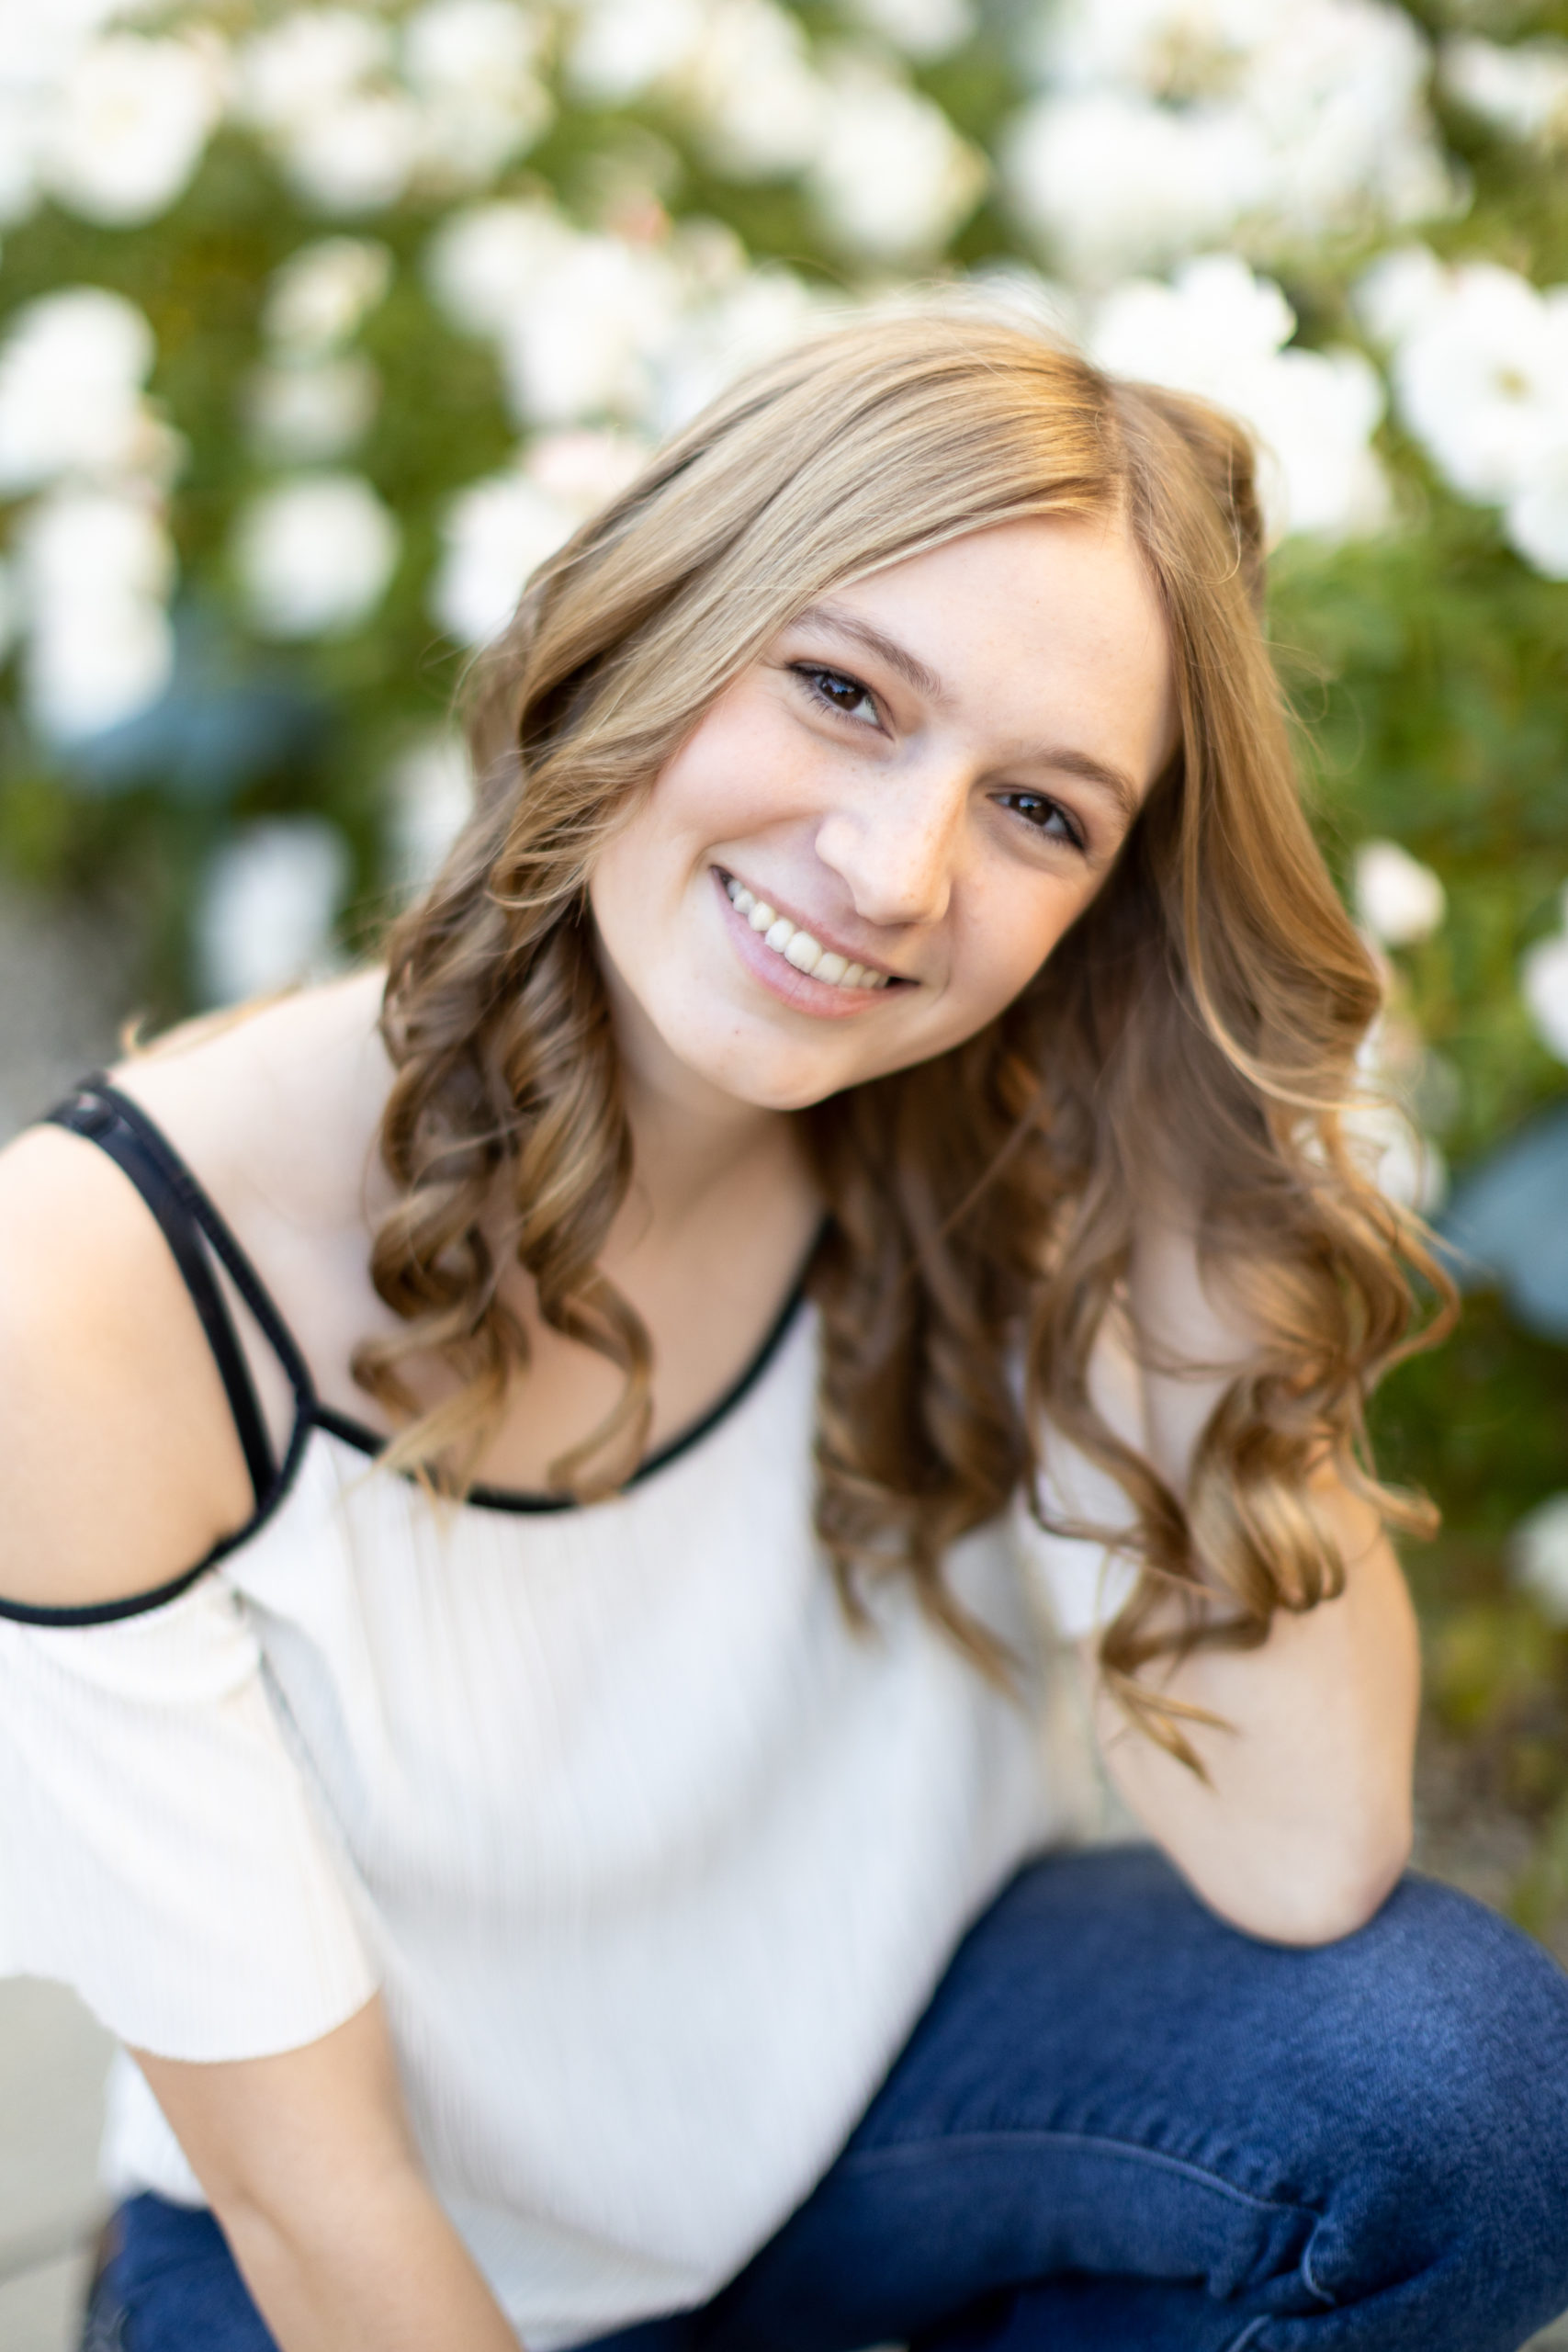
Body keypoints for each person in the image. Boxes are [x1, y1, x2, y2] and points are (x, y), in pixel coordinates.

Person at [2, 310, 1566, 2352]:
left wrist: (1191, 1153)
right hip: (371, 2261)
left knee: (1450, 2088)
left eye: (1044, 816)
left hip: (898, 2132)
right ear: (649, 624)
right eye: (840, 691)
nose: (893, 869)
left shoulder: (1017, 1143)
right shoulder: (107, 1284)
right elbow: (325, 2209)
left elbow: (1300, 1852)